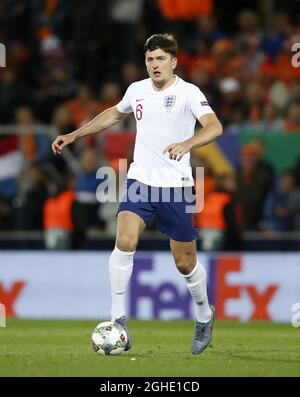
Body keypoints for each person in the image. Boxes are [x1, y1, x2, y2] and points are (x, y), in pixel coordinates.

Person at [52, 33, 222, 355]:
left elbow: (215, 127)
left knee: (184, 262)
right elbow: (115, 114)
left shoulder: (189, 92)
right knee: (125, 240)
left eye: (160, 59)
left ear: (174, 62)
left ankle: (203, 313)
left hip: (177, 186)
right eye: (149, 59)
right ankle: (118, 320)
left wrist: (187, 144)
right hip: (140, 180)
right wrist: (74, 134)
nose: (154, 65)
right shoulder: (137, 90)